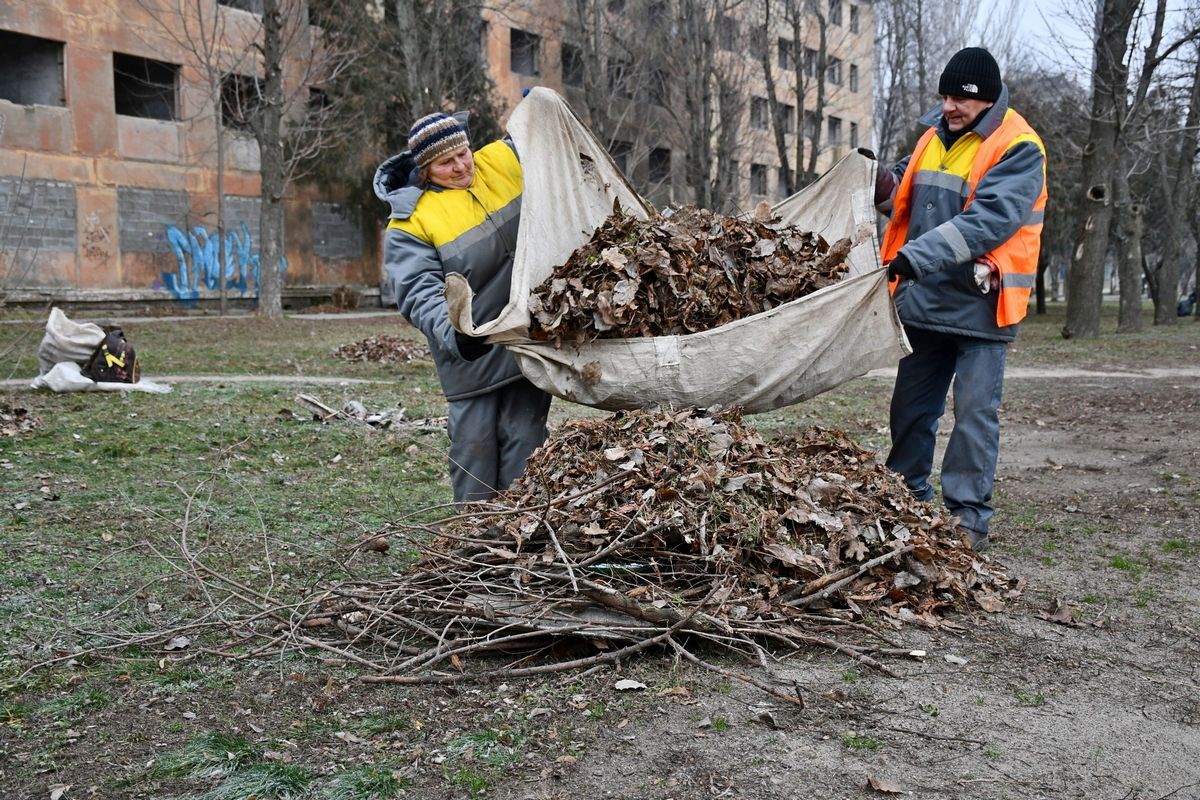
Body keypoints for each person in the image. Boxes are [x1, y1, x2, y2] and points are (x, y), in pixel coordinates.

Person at [875, 47, 1047, 552]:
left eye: (961, 100)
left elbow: (989, 221)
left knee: (973, 416)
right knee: (909, 410)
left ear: (987, 100)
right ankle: (903, 500)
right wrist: (876, 179)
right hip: (926, 301)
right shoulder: (932, 137)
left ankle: (967, 520)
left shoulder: (1019, 146)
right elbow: (900, 196)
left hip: (982, 305)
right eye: (946, 96)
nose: (949, 107)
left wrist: (914, 258)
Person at [373, 111, 553, 504]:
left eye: (463, 153)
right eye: (445, 162)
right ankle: (473, 546)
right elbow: (418, 291)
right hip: (472, 357)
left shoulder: (502, 163)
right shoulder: (411, 222)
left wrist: (538, 108)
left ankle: (522, 540)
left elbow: (544, 141)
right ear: (425, 169)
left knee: (526, 441)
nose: (460, 166)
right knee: (475, 449)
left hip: (526, 341)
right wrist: (457, 332)